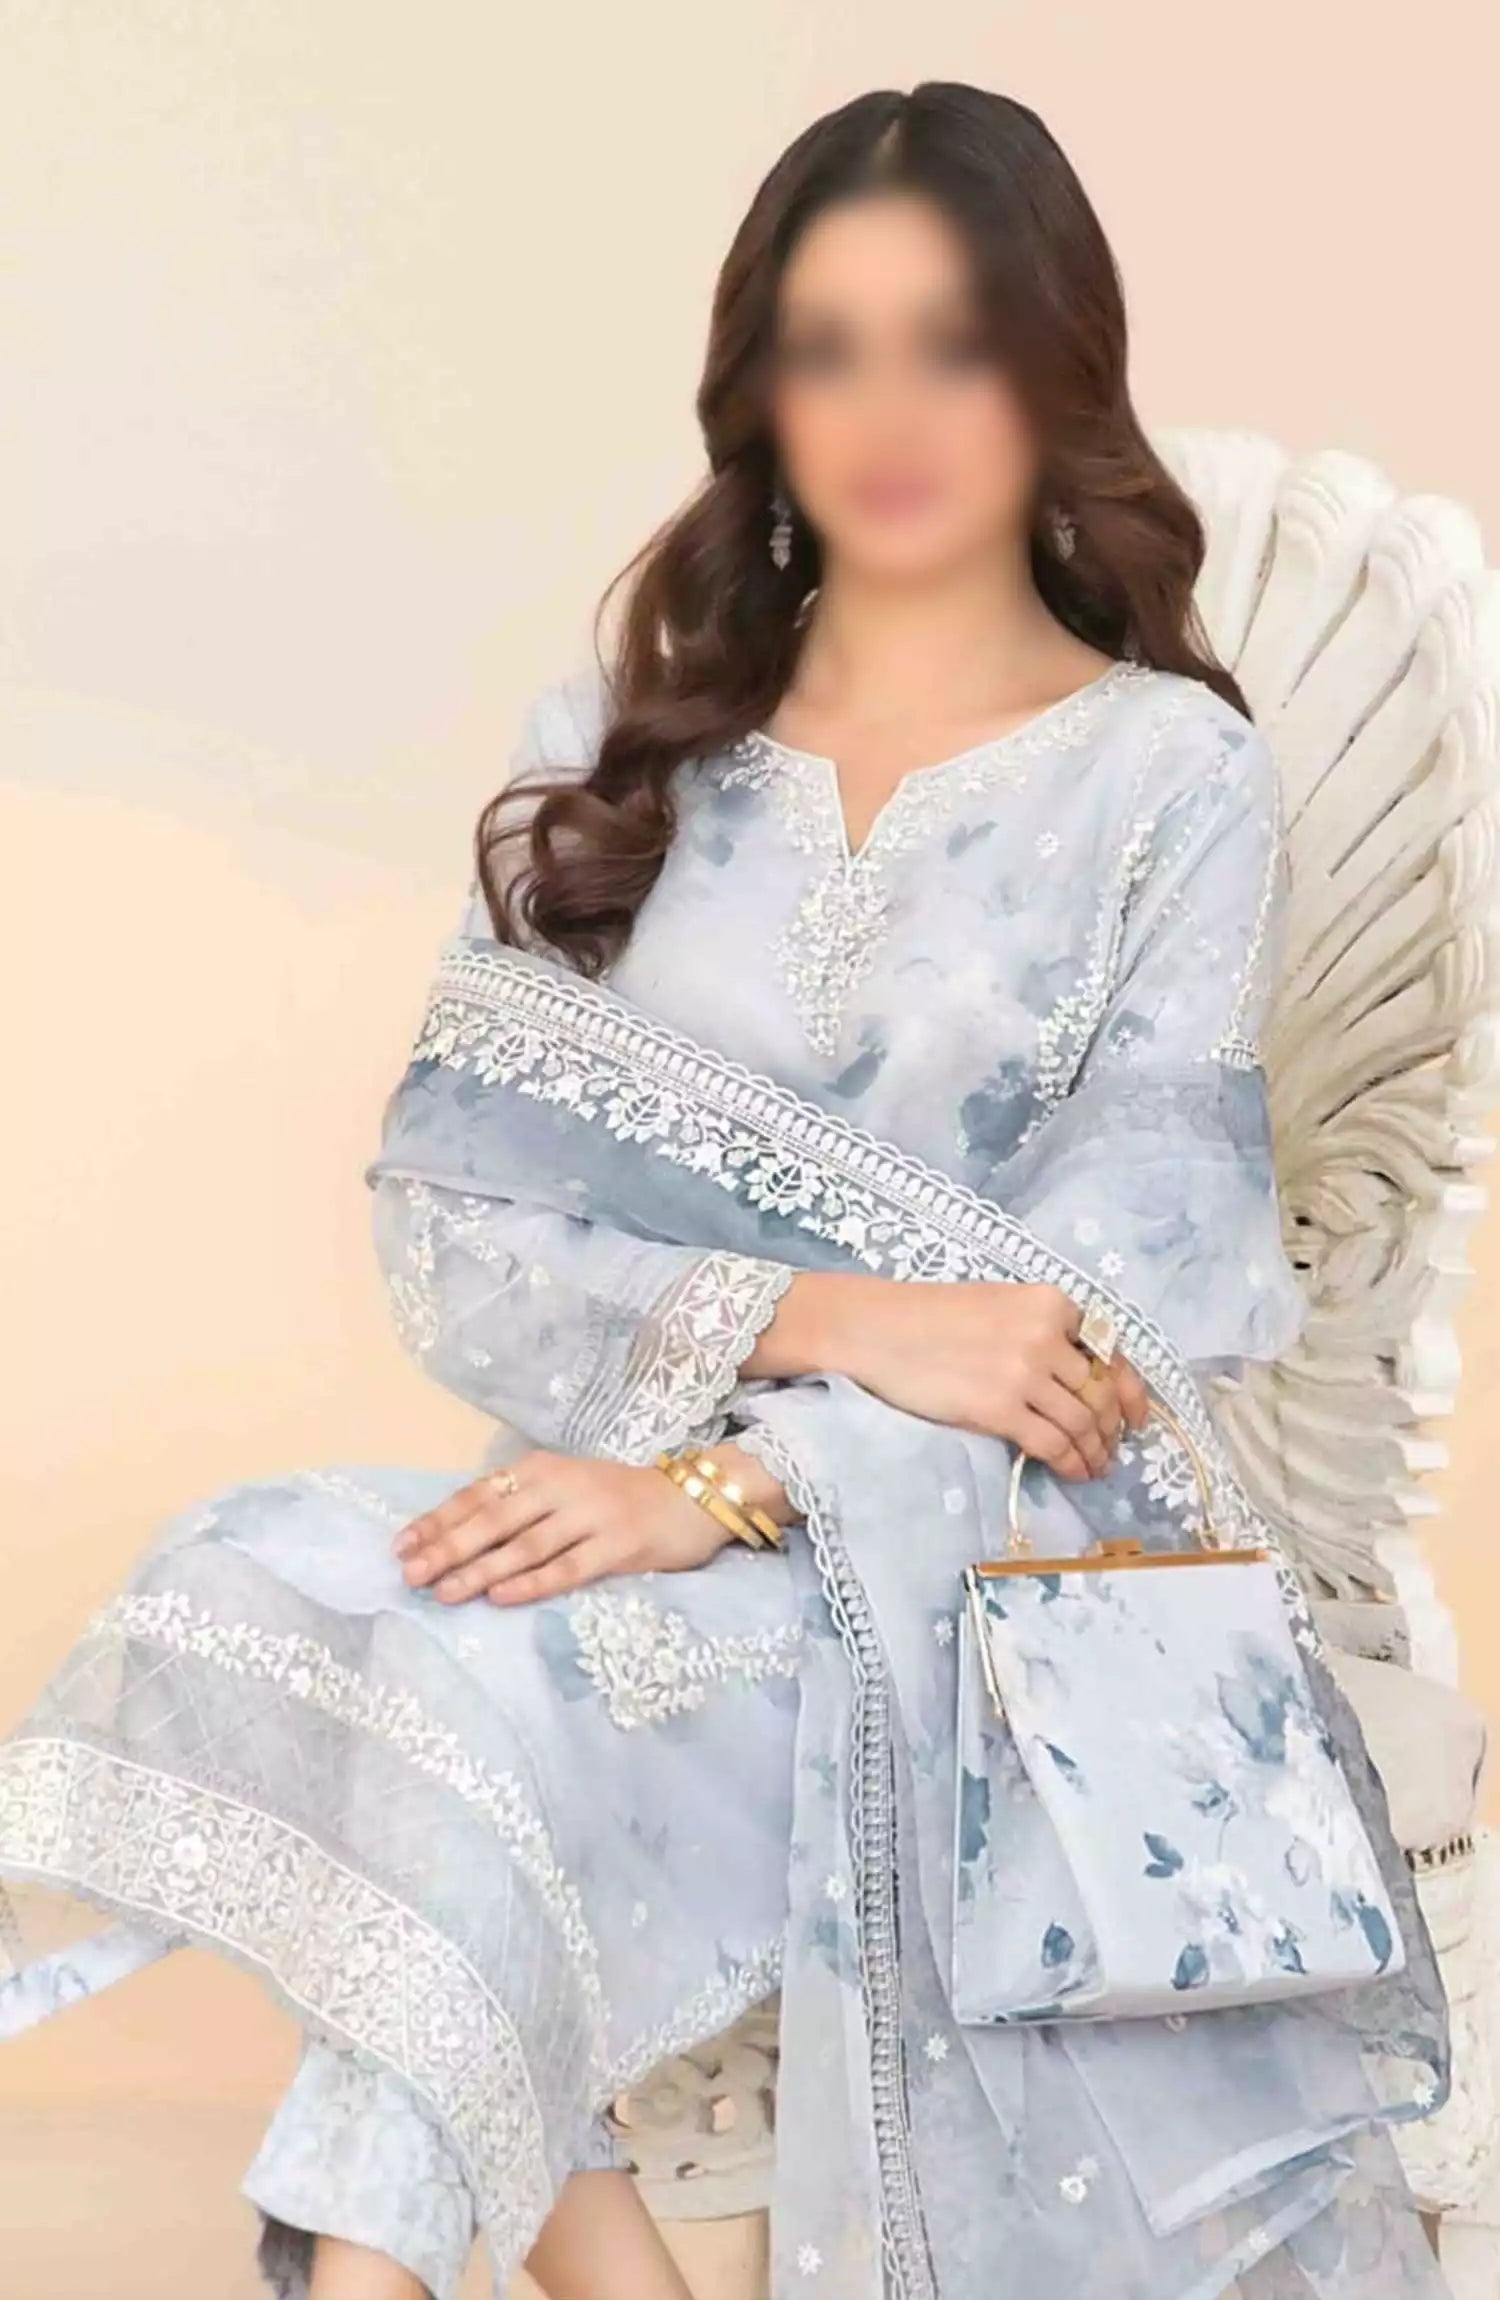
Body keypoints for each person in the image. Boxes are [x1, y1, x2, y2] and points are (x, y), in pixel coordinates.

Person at [0, 79, 1453, 2300]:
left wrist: (738, 1490)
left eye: (953, 344)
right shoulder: (629, 740)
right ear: (758, 390)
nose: (889, 415)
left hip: (967, 1573)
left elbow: (1119, 1314)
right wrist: (818, 1337)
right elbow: (460, 1223)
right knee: (260, 1569)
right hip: (631, 1500)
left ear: (1056, 369)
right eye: (828, 347)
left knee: (472, 1711)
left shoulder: (1168, 778)